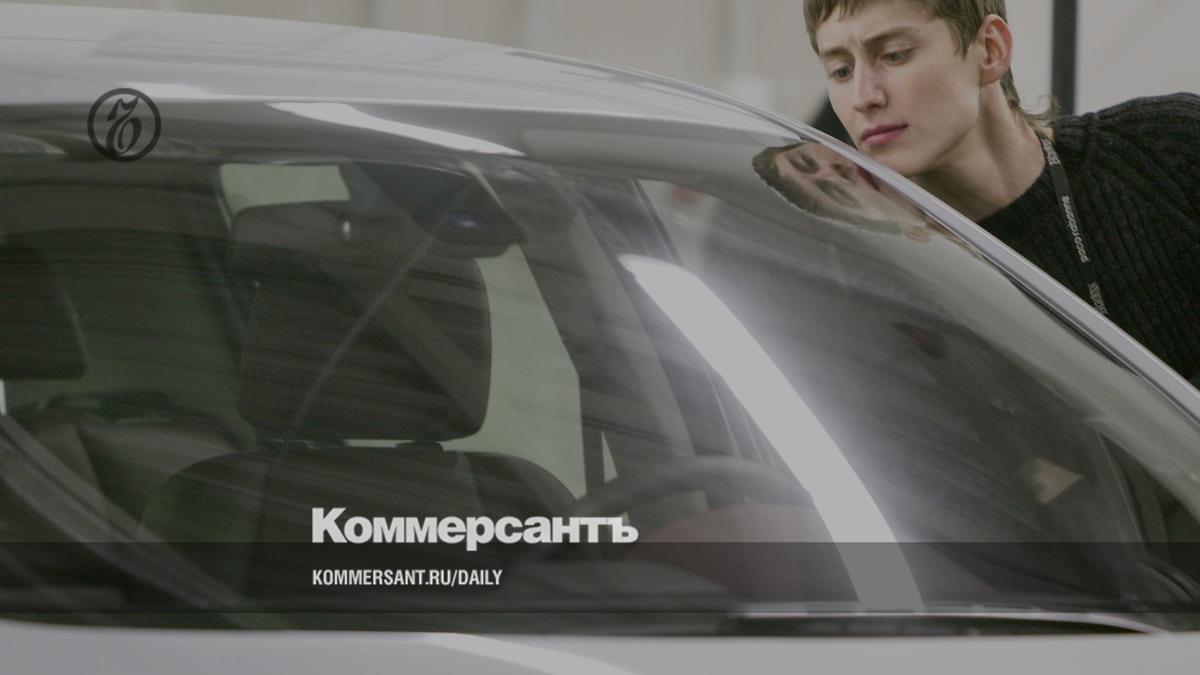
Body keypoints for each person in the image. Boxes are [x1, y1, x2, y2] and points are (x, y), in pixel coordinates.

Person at [803, 0, 1200, 384]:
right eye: (841, 71)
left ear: (991, 50)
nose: (862, 97)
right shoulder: (875, 287)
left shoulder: (1172, 147)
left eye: (894, 55)